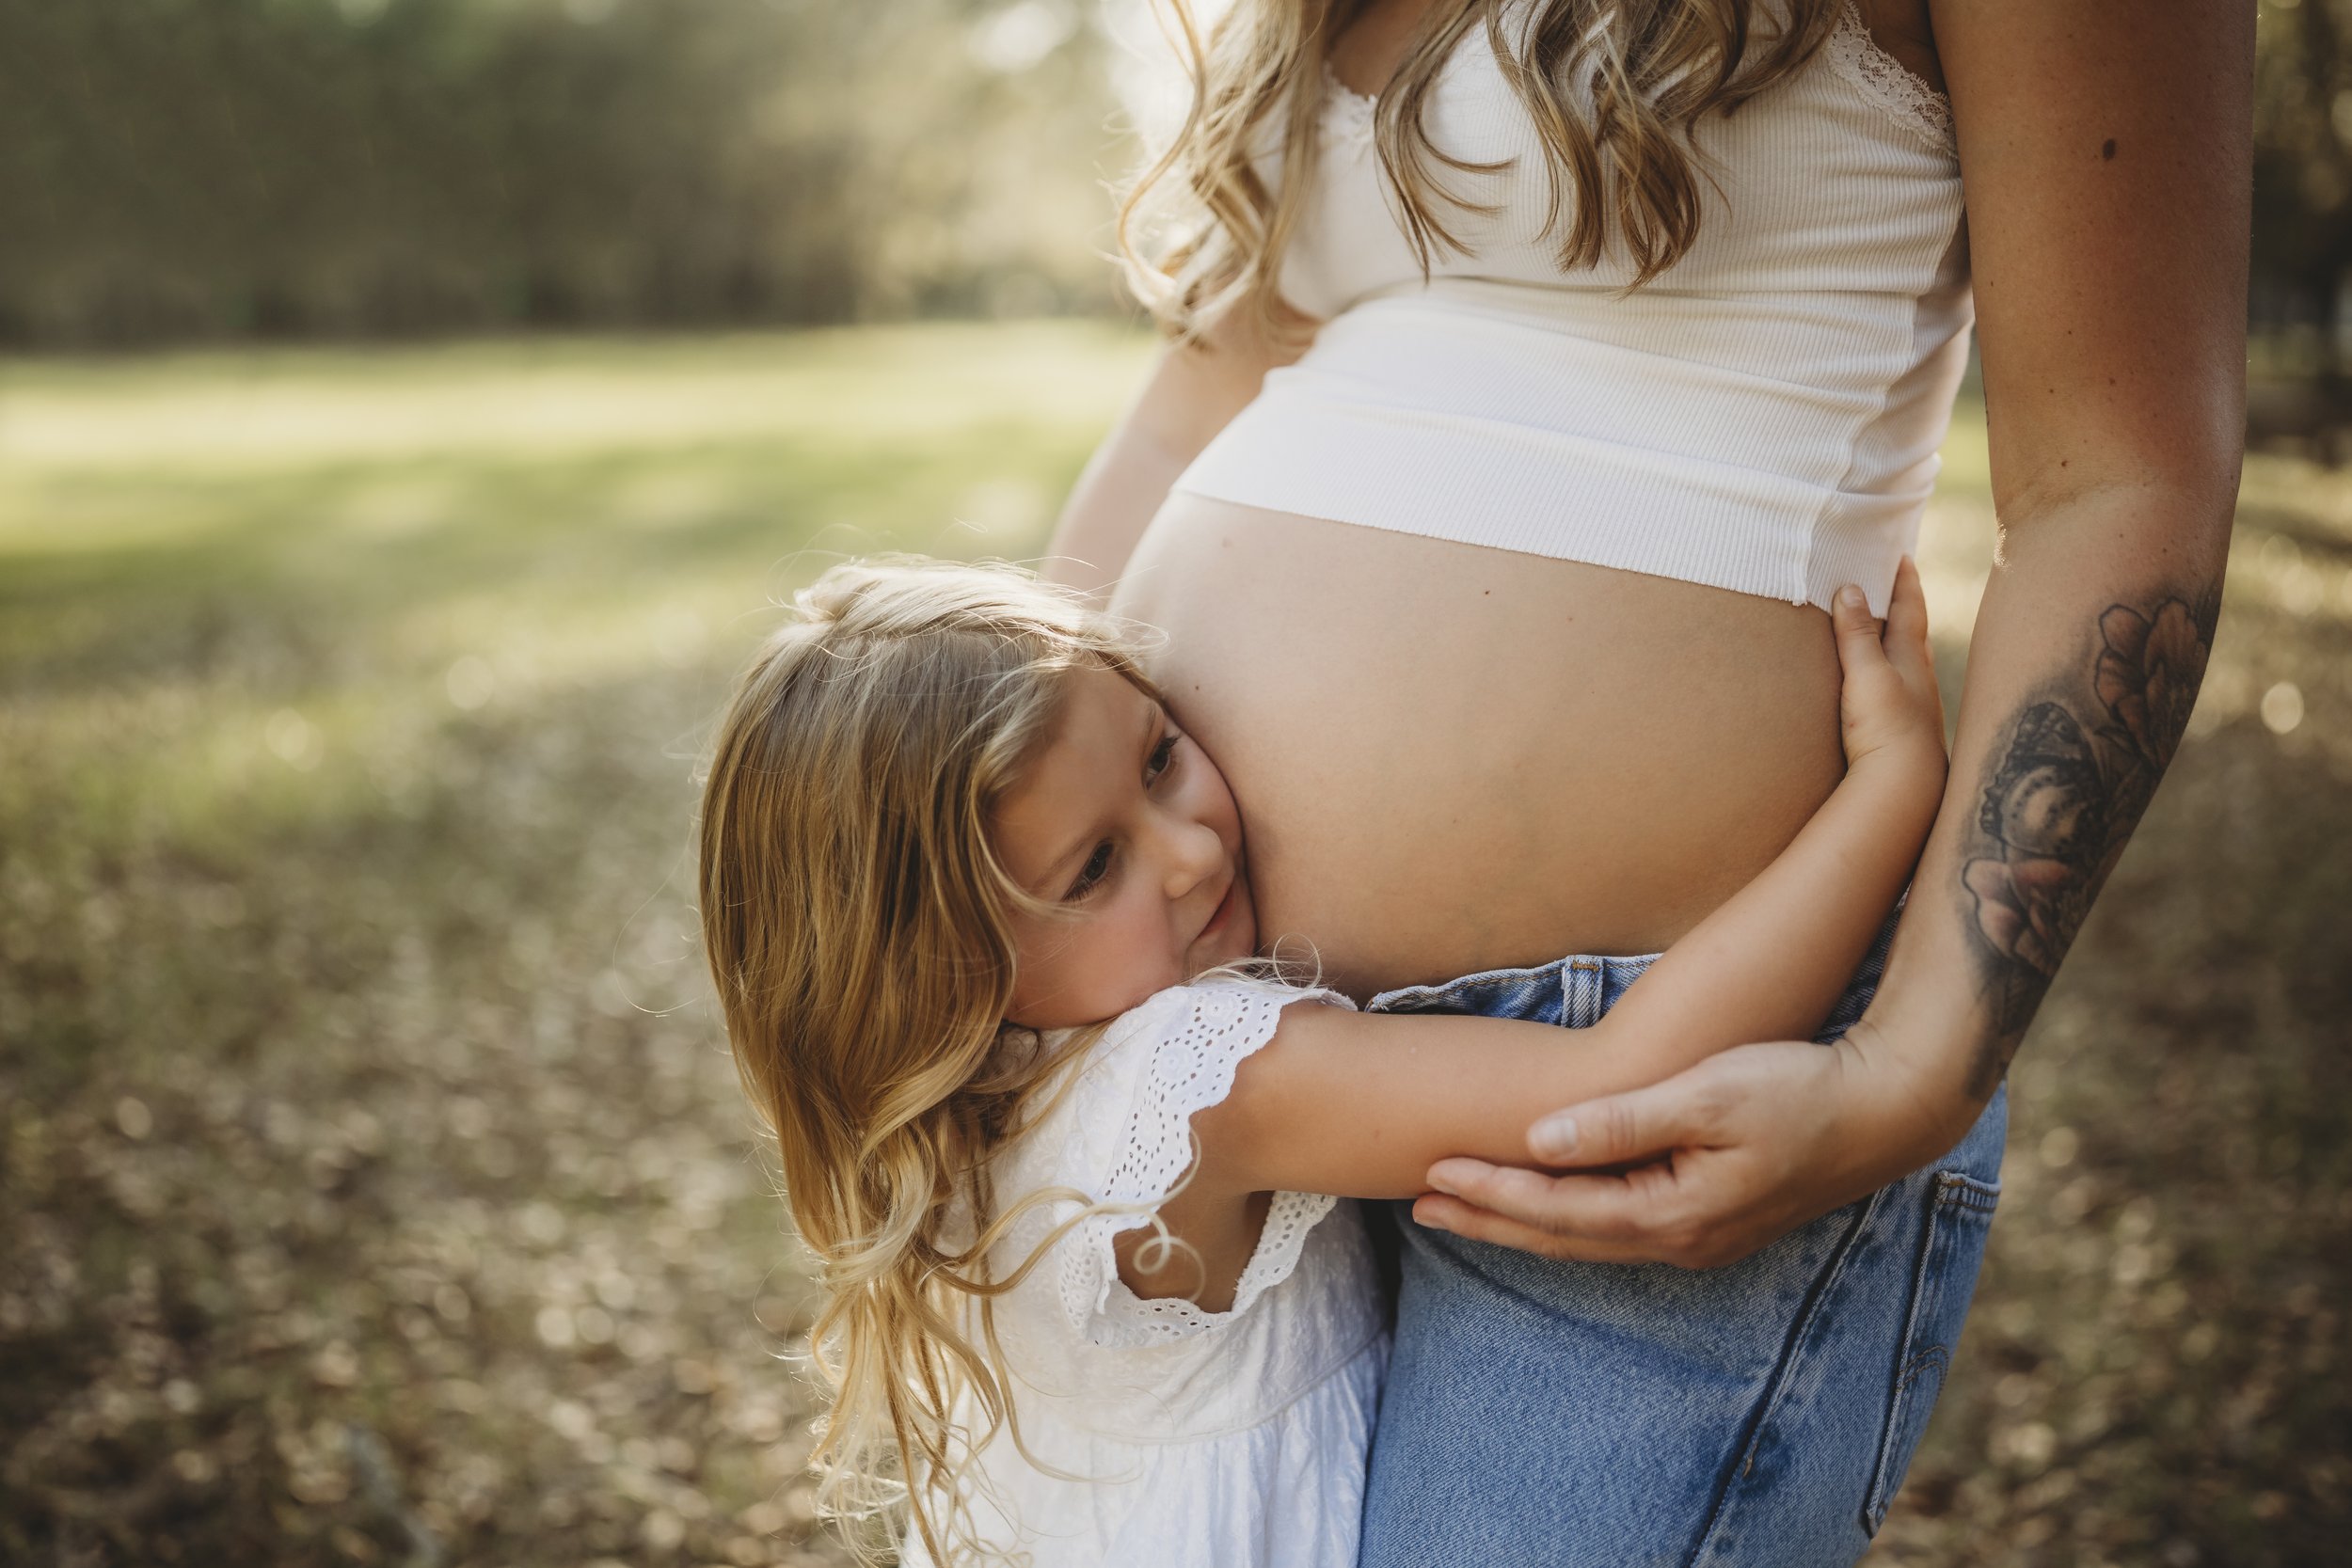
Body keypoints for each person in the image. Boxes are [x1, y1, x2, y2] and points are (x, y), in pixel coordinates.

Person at [1044, 0, 2247, 1560]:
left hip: (1668, 1056)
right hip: (1191, 1025)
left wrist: (1910, 1072)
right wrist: (950, 839)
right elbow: (1191, 401)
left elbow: (2125, 474)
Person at [695, 555, 1948, 1565]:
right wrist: (1892, 789)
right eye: (1095, 868)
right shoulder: (1195, 1081)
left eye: (1159, 756)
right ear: (946, 977)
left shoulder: (964, 1120)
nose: (1187, 851)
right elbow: (1610, 1082)